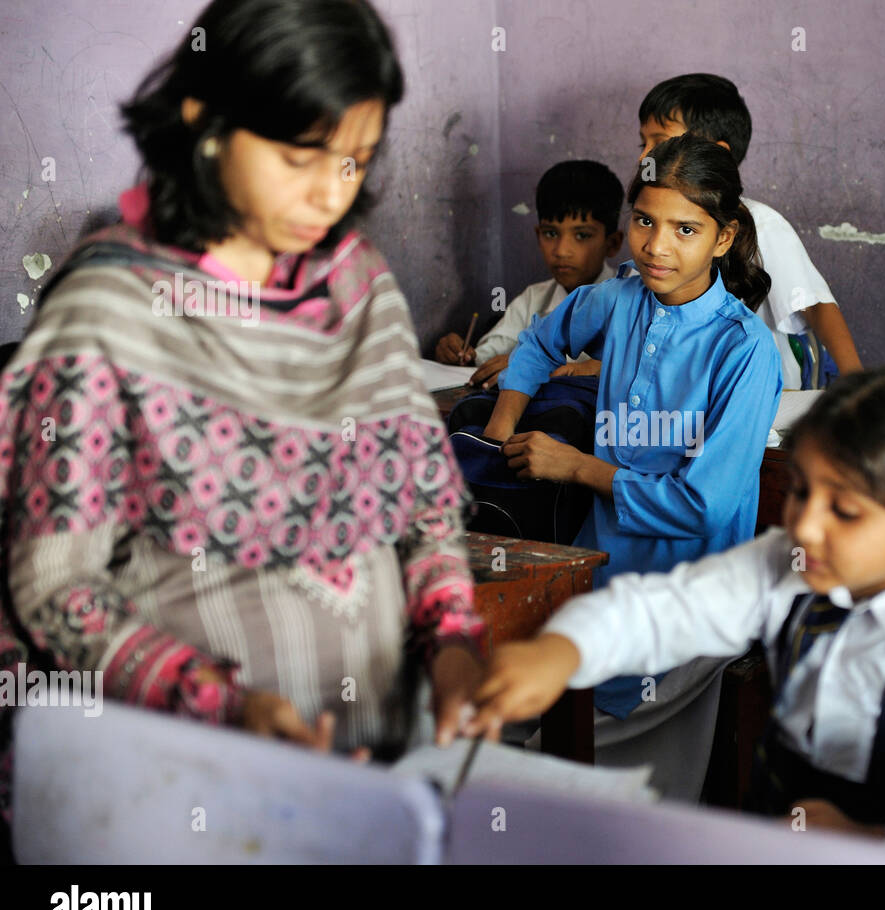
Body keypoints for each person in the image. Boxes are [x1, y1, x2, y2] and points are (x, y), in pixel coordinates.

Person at [0, 0, 487, 843]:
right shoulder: (106, 311)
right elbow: (57, 587)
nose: (329, 194)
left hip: (371, 777)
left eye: (356, 162)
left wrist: (453, 642)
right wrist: (224, 704)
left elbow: (423, 511)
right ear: (206, 122)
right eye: (303, 157)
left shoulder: (358, 285)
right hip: (187, 789)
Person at [469, 366, 885, 854]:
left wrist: (875, 839)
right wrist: (559, 651)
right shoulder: (790, 564)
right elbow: (662, 610)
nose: (804, 523)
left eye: (845, 512)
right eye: (802, 489)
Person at [478, 135, 783, 797]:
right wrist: (500, 427)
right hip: (598, 572)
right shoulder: (617, 300)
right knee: (497, 715)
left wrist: (579, 468)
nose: (657, 246)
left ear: (724, 238)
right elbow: (537, 341)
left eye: (685, 229)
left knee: (550, 774)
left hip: (692, 596)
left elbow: (705, 505)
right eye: (645, 221)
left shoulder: (745, 350)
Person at [637, 73, 863, 389]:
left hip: (764, 395)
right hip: (683, 395)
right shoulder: (649, 219)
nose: (644, 156)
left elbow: (815, 306)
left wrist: (858, 386)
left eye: (660, 143)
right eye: (643, 142)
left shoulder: (758, 222)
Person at [433, 160, 624, 388]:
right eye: (550, 233)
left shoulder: (630, 300)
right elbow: (492, 351)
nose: (562, 251)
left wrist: (528, 363)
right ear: (537, 235)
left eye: (582, 236)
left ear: (612, 243)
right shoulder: (534, 299)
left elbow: (626, 366)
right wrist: (463, 356)